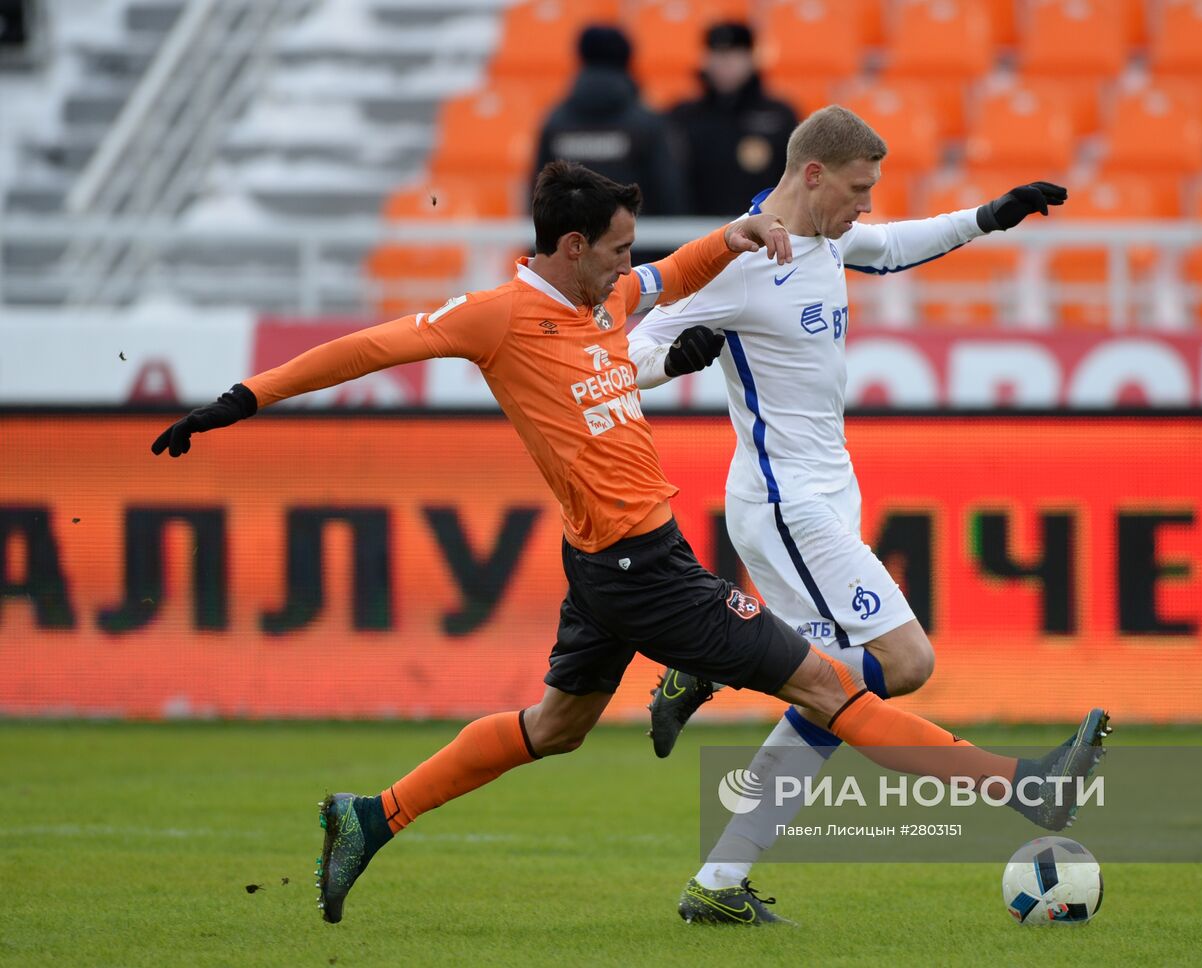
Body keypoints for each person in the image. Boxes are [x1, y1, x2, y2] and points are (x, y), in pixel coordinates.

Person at [152, 160, 1106, 928]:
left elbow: (675, 276)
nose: (627, 268)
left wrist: (730, 238)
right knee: (831, 685)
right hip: (640, 573)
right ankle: (1021, 787)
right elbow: (364, 349)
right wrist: (239, 401)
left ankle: (370, 816)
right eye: (612, 251)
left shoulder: (601, 300)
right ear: (569, 247)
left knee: (555, 728)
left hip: (612, 561)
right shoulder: (498, 318)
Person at [630, 105, 1087, 922]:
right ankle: (1020, 786)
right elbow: (623, 363)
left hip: (831, 494)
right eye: (858, 188)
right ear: (812, 176)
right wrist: (673, 358)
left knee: (830, 692)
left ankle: (719, 879)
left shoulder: (830, 238)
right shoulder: (737, 259)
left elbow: (896, 244)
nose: (866, 205)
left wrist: (992, 215)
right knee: (900, 664)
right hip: (783, 502)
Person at [534, 24, 689, 256]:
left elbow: (537, 198)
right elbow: (671, 197)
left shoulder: (556, 122)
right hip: (635, 265)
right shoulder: (647, 123)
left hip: (569, 265)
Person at [669, 21, 798, 217]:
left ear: (751, 58)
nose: (726, 63)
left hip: (762, 237)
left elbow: (793, 180)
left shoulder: (779, 115)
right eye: (718, 54)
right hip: (696, 236)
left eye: (735, 54)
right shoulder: (683, 116)